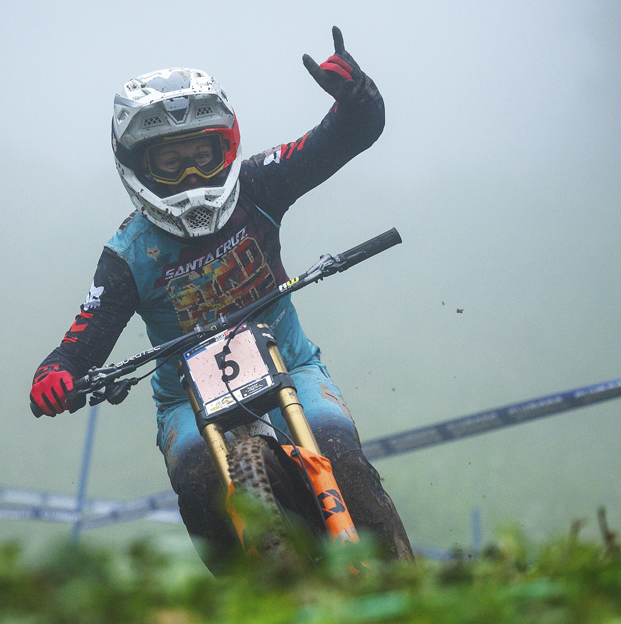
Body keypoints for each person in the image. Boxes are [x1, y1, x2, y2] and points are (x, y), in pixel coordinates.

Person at [30, 26, 413, 568]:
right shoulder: (127, 256)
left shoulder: (259, 184)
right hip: (186, 401)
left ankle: (403, 574)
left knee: (340, 456)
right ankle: (240, 599)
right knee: (199, 483)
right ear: (138, 166)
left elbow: (349, 134)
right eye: (170, 162)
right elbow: (80, 344)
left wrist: (356, 96)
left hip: (293, 367)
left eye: (202, 153)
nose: (190, 173)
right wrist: (54, 376)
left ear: (225, 145)